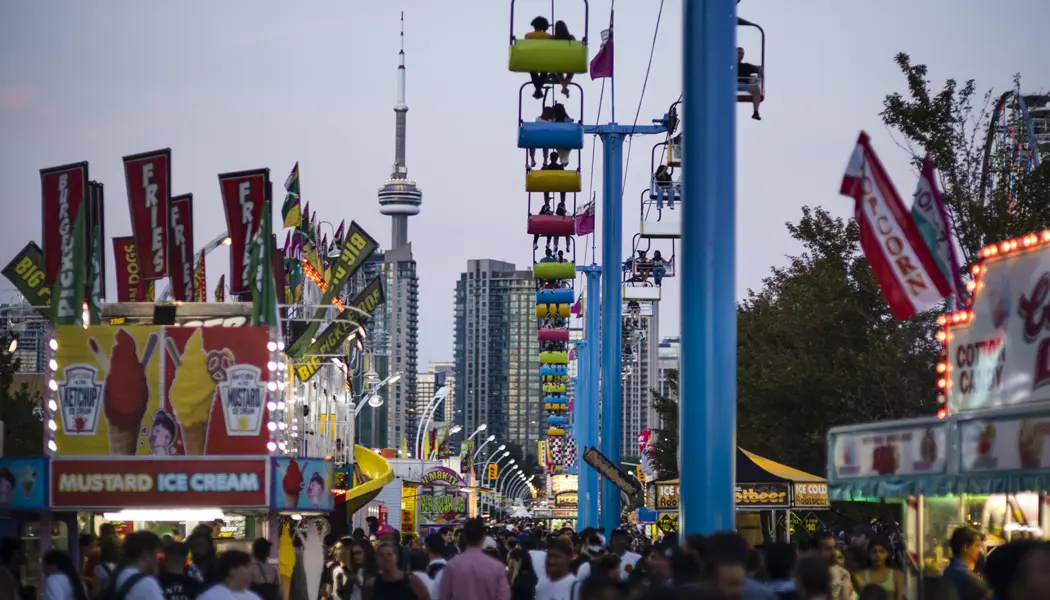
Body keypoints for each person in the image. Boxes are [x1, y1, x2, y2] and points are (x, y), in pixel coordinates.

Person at [438, 518, 511, 600]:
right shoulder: (497, 567)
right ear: (483, 539)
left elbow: (443, 596)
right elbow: (504, 596)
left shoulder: (451, 566)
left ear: (464, 537)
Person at [111, 530, 166, 600]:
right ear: (147, 555)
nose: (157, 559)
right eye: (157, 554)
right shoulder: (147, 583)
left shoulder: (120, 574)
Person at [942, 527, 988, 600]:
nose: (980, 551)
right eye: (977, 546)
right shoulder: (965, 575)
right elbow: (992, 595)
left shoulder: (949, 570)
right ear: (966, 547)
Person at [195, 550, 261, 600]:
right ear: (232, 569)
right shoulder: (210, 596)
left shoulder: (254, 597)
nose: (251, 571)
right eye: (246, 566)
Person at [812, 532, 852, 600]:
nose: (834, 553)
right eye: (828, 549)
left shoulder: (842, 574)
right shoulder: (807, 576)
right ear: (816, 551)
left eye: (834, 547)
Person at [525, 16, 552, 98]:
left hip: (532, 60)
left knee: (533, 72)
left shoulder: (528, 36)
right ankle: (538, 89)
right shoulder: (548, 36)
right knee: (544, 72)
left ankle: (538, 89)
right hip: (545, 60)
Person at [737, 47, 763, 120]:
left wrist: (760, 69)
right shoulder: (729, 65)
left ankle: (755, 112)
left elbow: (756, 68)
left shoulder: (746, 66)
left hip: (743, 85)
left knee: (756, 89)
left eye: (742, 54)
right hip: (731, 85)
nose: (741, 55)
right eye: (739, 53)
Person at [551, 21, 576, 97]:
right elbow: (575, 49)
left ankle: (564, 87)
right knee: (570, 72)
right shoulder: (571, 38)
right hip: (568, 61)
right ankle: (564, 87)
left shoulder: (553, 39)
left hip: (557, 61)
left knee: (559, 71)